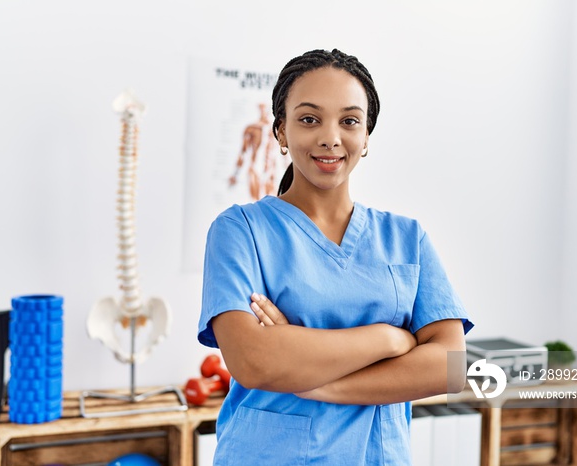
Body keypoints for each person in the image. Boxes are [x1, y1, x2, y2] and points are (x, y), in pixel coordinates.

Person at [198, 49, 474, 466]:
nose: (331, 137)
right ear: (281, 132)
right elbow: (253, 360)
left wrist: (315, 382)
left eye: (349, 121)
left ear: (366, 138)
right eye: (310, 119)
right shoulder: (240, 231)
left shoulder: (406, 238)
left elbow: (449, 367)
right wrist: (389, 339)